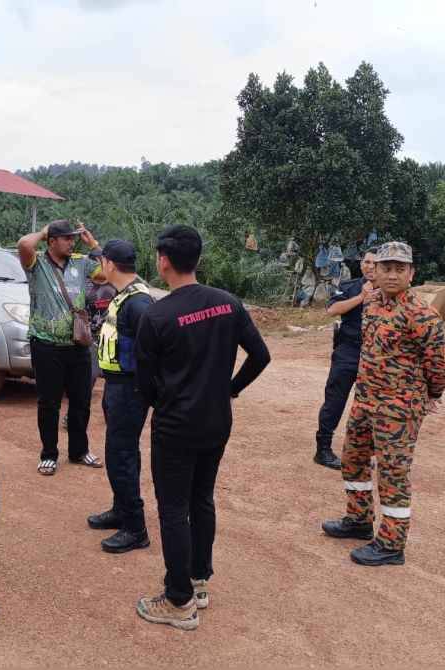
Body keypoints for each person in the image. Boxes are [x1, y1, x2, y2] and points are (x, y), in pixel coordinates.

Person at [134, 225, 271, 630]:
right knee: (201, 499)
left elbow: (144, 383)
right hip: (216, 422)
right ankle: (198, 580)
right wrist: (229, 390)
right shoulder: (228, 303)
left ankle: (178, 601)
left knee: (174, 508)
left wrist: (167, 402)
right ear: (198, 259)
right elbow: (260, 356)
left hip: (176, 426)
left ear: (163, 261)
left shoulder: (157, 314)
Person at [322, 241, 445, 566]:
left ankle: (392, 544)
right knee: (353, 460)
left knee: (393, 473)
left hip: (399, 408)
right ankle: (359, 520)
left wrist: (429, 396)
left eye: (399, 269)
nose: (392, 275)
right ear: (374, 271)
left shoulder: (422, 314)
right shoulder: (371, 304)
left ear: (411, 273)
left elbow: (438, 366)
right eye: (385, 268)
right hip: (365, 401)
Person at [17, 220, 105, 476]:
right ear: (52, 241)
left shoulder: (82, 262)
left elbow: (107, 274)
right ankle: (49, 454)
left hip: (78, 345)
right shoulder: (36, 264)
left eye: (73, 237)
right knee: (48, 403)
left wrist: (94, 244)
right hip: (46, 345)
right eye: (66, 238)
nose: (71, 241)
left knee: (81, 401)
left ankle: (79, 451)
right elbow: (24, 244)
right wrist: (44, 231)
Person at [86, 240, 154, 554]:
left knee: (121, 456)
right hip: (116, 385)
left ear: (110, 263)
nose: (98, 265)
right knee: (119, 453)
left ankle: (135, 528)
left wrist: (142, 391)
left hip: (129, 389)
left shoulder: (138, 303)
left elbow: (153, 352)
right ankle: (121, 509)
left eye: (101, 260)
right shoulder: (125, 293)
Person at [313, 250, 377, 469]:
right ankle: (323, 450)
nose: (369, 267)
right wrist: (361, 297)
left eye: (375, 263)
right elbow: (332, 309)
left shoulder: (390, 292)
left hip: (376, 355)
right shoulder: (350, 286)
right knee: (335, 400)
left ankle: (363, 453)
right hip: (348, 351)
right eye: (366, 262)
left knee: (370, 405)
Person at [62, 265, 117, 431]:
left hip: (110, 337)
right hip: (89, 338)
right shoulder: (83, 285)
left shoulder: (115, 284)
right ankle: (72, 417)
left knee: (112, 378)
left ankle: (112, 416)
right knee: (88, 378)